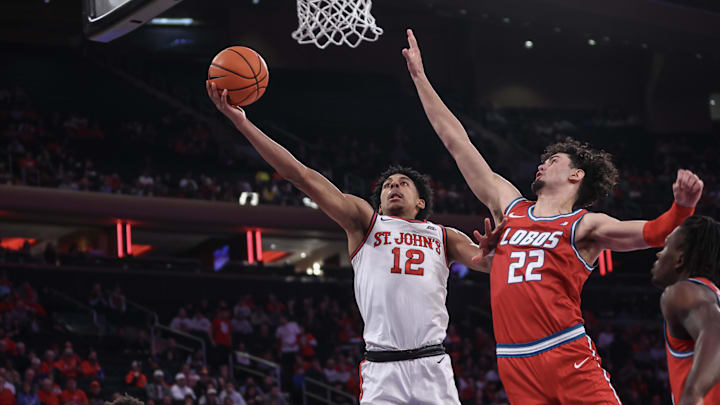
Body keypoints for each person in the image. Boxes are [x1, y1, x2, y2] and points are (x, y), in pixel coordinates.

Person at [402, 28, 704, 404]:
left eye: (553, 161)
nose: (542, 165)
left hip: (565, 352)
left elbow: (657, 232)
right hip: (513, 360)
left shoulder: (585, 225)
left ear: (576, 175)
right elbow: (457, 142)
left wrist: (683, 206)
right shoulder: (509, 206)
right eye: (543, 160)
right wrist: (420, 78)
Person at [206, 81, 504, 404]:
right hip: (382, 368)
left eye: (403, 183)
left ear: (421, 202)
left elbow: (491, 266)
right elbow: (301, 176)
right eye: (388, 184)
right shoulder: (367, 222)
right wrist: (242, 123)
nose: (394, 187)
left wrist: (496, 249)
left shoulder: (444, 236)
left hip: (431, 365)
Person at [651, 216, 720, 405]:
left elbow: (715, 329)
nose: (659, 254)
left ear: (680, 259)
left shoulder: (682, 292)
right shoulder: (711, 297)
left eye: (666, 247)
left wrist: (692, 394)